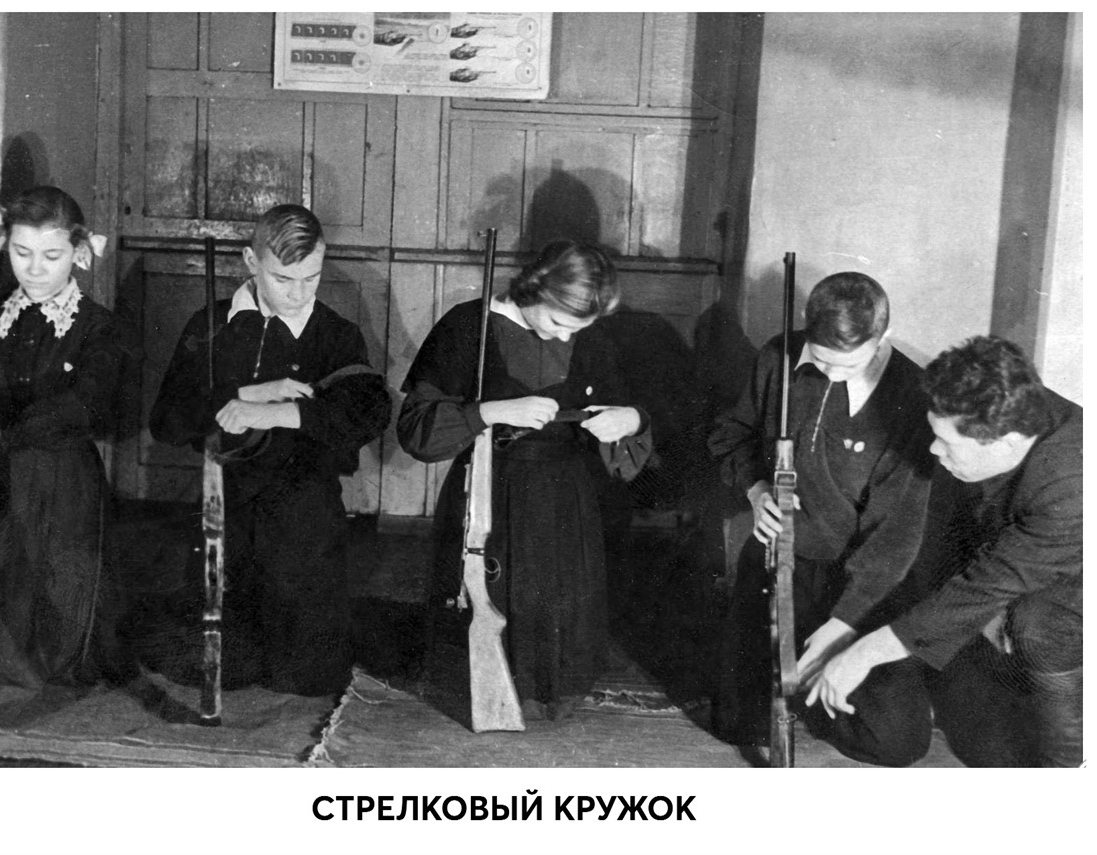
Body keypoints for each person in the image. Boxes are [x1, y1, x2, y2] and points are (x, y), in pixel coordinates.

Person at [398, 241, 651, 721]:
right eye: (557, 322)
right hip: (488, 494)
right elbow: (417, 431)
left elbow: (632, 416)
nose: (565, 337)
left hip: (565, 506)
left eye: (577, 329)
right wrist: (490, 412)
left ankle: (548, 693)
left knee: (559, 626)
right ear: (534, 289)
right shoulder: (467, 327)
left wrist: (631, 419)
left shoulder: (588, 334)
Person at [805, 336, 1082, 767]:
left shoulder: (1073, 484)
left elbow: (986, 586)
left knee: (1038, 628)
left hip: (1068, 594)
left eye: (947, 442)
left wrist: (864, 653)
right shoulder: (1001, 410)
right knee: (966, 743)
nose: (934, 449)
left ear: (1006, 443)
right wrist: (848, 620)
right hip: (1005, 583)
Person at [150, 204, 390, 696]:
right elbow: (167, 421)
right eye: (283, 279)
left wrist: (277, 413)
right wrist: (242, 396)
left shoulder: (336, 333)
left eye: (311, 278)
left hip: (304, 511)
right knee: (215, 665)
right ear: (250, 261)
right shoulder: (211, 324)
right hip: (227, 505)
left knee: (307, 676)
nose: (298, 294)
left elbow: (368, 412)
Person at [707, 271, 935, 745]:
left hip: (864, 577)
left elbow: (896, 534)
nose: (830, 374)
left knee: (895, 742)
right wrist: (756, 491)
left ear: (882, 336)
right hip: (778, 554)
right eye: (821, 360)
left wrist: (845, 624)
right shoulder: (778, 355)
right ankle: (796, 687)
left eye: (847, 366)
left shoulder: (913, 394)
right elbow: (731, 435)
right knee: (742, 727)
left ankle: (811, 688)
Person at [0, 185, 139, 690]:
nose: (35, 269)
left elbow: (85, 407)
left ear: (78, 252)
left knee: (59, 616)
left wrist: (1, 432)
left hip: (62, 484)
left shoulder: (99, 328)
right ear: (5, 245)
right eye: (22, 253)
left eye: (51, 255)